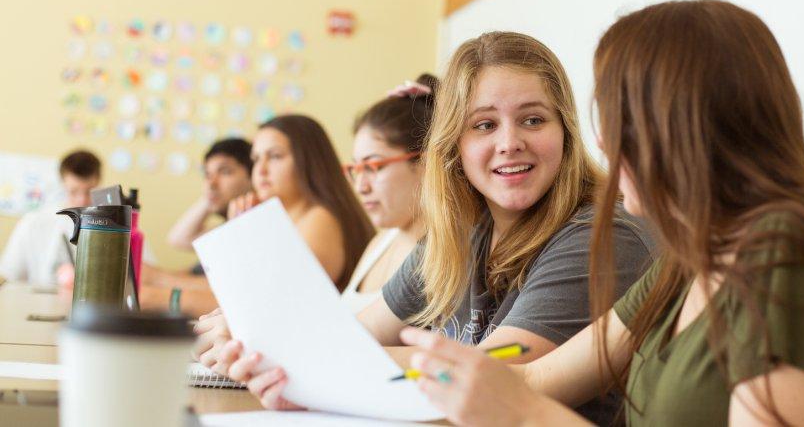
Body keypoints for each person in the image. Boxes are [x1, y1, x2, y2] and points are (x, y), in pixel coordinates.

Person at [395, 0, 804, 426]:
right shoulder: (688, 258)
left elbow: (528, 401)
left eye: (613, 116)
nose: (602, 143)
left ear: (673, 127)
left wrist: (528, 417)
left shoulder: (783, 255)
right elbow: (533, 379)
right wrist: (443, 373)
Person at [198, 32, 655, 425]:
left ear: (567, 134)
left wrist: (292, 353)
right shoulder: (460, 235)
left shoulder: (603, 236)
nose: (510, 142)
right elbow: (352, 338)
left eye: (533, 119)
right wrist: (263, 342)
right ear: (454, 143)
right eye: (484, 125)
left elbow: (486, 380)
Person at [228, 115, 376, 291]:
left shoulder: (320, 218)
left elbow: (276, 295)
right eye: (256, 159)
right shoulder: (289, 220)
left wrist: (244, 235)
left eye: (275, 156)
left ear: (309, 162)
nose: (261, 170)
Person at [339, 73, 437, 312]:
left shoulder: (438, 256)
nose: (361, 186)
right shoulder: (382, 240)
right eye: (356, 169)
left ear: (425, 164)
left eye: (374, 167)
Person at [139, 138, 254, 315]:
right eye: (207, 175)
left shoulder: (253, 229)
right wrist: (211, 195)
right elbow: (178, 239)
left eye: (225, 172)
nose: (211, 182)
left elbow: (179, 240)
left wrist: (155, 280)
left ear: (252, 176)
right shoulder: (227, 229)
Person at [0, 149, 101, 285]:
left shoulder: (112, 224)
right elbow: (11, 275)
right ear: (63, 183)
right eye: (73, 191)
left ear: (99, 182)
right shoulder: (32, 221)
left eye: (89, 191)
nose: (82, 200)